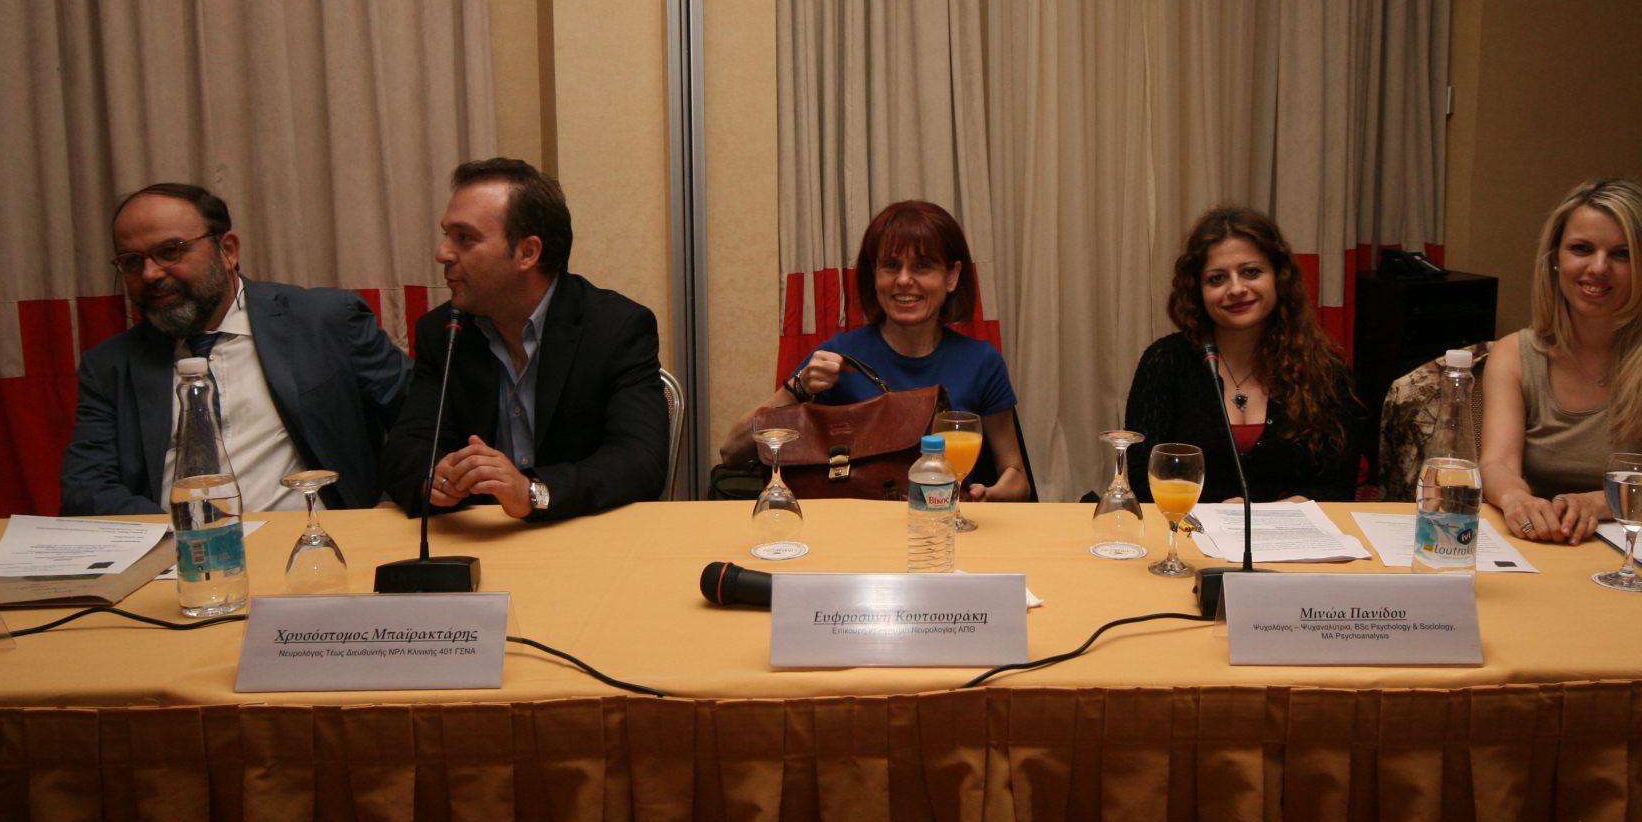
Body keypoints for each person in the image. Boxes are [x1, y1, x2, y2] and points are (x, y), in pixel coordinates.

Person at [61, 183, 412, 515]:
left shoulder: (324, 321)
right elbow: (86, 488)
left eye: (170, 251)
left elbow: (421, 422)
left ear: (227, 250)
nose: (150, 274)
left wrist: (394, 501)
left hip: (315, 540)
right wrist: (183, 535)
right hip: (177, 549)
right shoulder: (111, 365)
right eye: (132, 261)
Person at [380, 158, 668, 521]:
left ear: (528, 253)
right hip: (476, 533)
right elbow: (408, 446)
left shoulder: (615, 328)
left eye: (464, 238)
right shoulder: (444, 332)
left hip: (579, 528)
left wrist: (531, 492)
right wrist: (434, 479)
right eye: (446, 235)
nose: (443, 253)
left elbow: (639, 461)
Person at [1481, 178, 1642, 544]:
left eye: (1622, 254)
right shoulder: (1512, 353)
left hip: (1641, 539)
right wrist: (1516, 500)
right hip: (1544, 539)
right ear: (1555, 259)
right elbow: (1498, 464)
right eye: (1582, 248)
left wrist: (1594, 504)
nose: (1599, 267)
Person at [718, 200, 1030, 500]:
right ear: (874, 275)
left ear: (952, 276)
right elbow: (732, 452)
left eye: (922, 266)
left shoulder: (982, 361)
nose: (904, 280)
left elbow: (1016, 475)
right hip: (855, 527)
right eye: (891, 266)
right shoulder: (838, 355)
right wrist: (797, 388)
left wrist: (990, 495)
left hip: (943, 525)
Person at [1124, 206, 1367, 505]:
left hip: (1291, 531)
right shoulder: (1165, 361)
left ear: (1279, 277)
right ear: (1197, 290)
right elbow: (1143, 478)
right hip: (1187, 528)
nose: (1236, 289)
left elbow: (1338, 487)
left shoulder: (1326, 371)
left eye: (1251, 272)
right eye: (1217, 279)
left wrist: (1270, 516)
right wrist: (1216, 513)